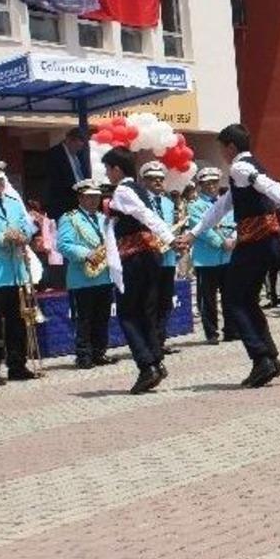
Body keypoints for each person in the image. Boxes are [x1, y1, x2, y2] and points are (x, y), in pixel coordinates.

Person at [177, 124, 280, 388]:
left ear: (231, 147)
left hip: (255, 242)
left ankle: (261, 358)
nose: (222, 154)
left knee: (235, 299)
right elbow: (221, 207)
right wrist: (193, 233)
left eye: (221, 148)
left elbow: (270, 186)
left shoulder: (240, 168)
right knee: (247, 299)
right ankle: (269, 356)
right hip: (265, 242)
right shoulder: (248, 166)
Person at [101, 148, 179, 394]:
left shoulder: (124, 190)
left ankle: (147, 366)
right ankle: (155, 361)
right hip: (149, 256)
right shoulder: (140, 189)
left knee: (128, 314)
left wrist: (170, 238)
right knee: (147, 312)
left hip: (135, 257)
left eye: (108, 169)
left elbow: (146, 215)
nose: (107, 174)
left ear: (117, 169)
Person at [0, 161, 39, 385]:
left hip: (16, 271)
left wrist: (24, 235)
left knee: (18, 320)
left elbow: (26, 227)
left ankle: (17, 365)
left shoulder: (13, 203)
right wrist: (1, 237)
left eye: (0, 180)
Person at [56, 179, 115, 368]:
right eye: (89, 197)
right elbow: (63, 245)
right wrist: (86, 254)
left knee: (102, 317)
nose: (93, 200)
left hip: (104, 275)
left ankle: (99, 352)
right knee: (84, 319)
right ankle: (83, 355)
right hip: (82, 278)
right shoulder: (70, 218)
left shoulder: (103, 218)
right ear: (80, 198)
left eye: (96, 197)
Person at [187, 167, 237, 344]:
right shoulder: (195, 206)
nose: (211, 186)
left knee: (230, 294)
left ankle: (231, 329)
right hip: (206, 259)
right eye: (206, 183)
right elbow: (201, 229)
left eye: (214, 182)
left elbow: (235, 222)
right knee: (207, 298)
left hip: (228, 256)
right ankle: (211, 332)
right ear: (200, 185)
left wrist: (233, 239)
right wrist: (221, 242)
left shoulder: (226, 203)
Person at [141, 161, 180, 354]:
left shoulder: (169, 203)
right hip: (150, 258)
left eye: (160, 179)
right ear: (144, 181)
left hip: (168, 258)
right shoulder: (141, 202)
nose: (158, 182)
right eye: (153, 179)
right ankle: (150, 342)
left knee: (165, 301)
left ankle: (160, 340)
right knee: (150, 302)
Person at [44, 127, 90, 220]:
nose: (79, 148)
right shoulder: (54, 154)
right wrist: (75, 190)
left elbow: (83, 175)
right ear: (68, 140)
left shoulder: (80, 155)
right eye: (77, 144)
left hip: (80, 202)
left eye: (81, 145)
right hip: (62, 203)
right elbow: (54, 182)